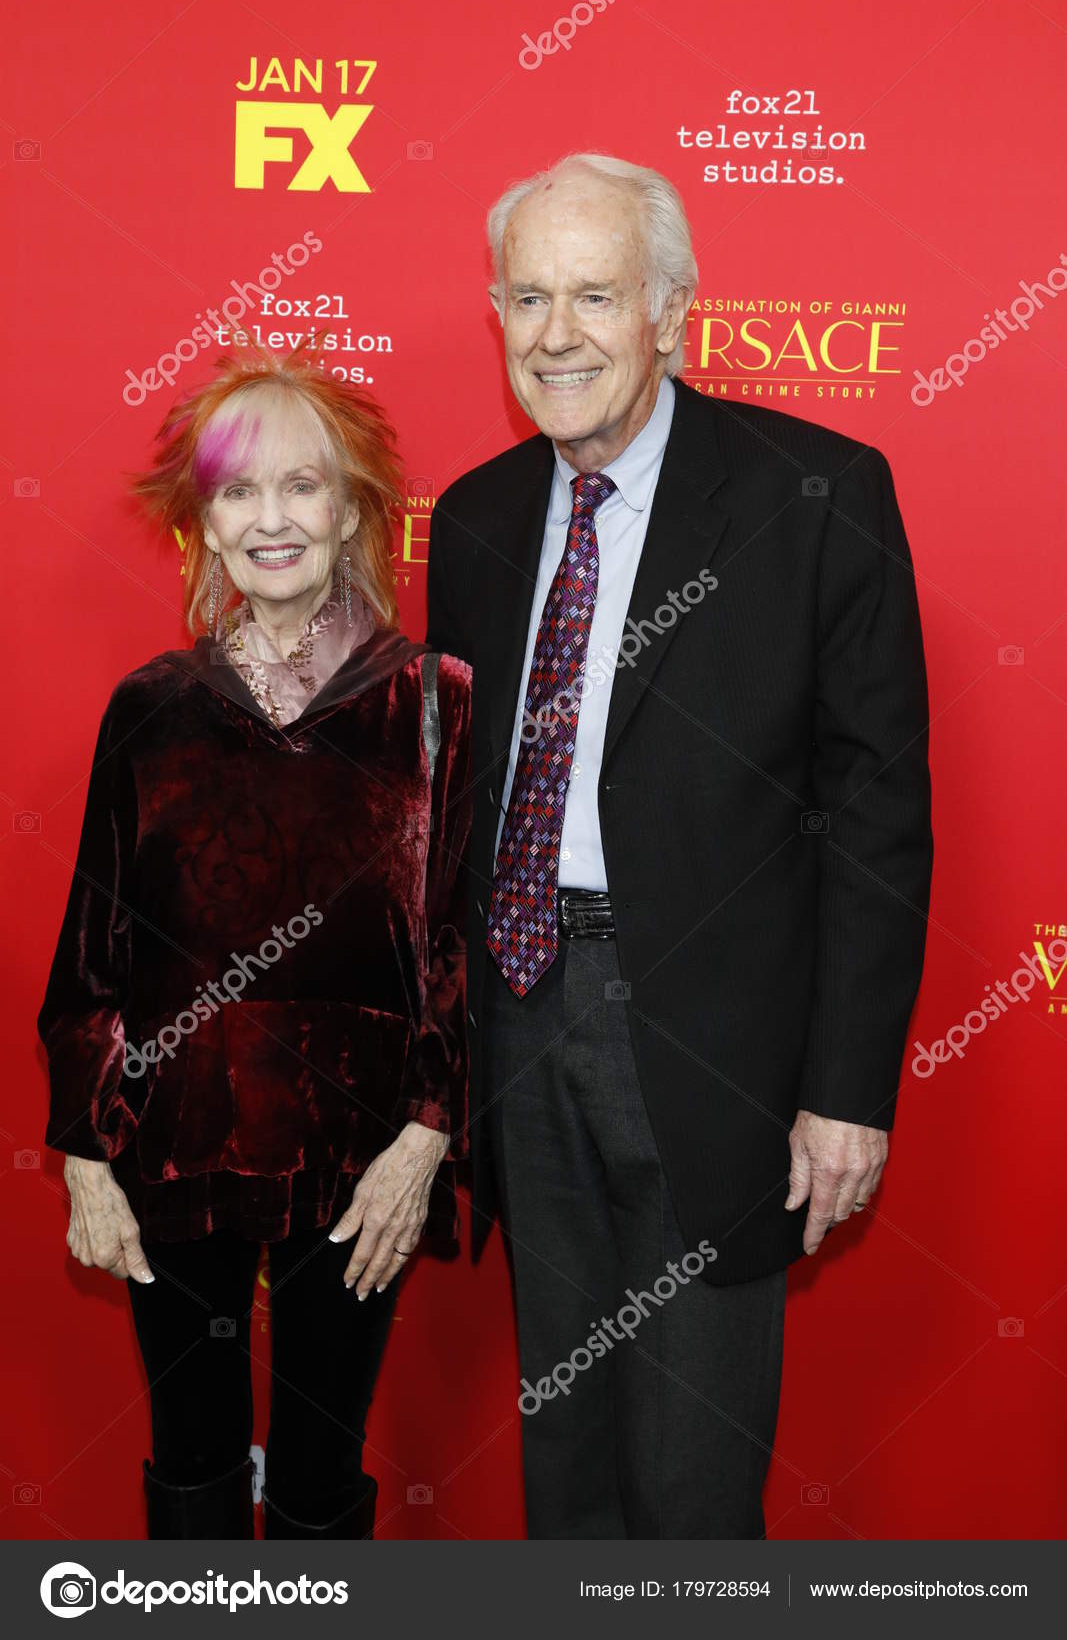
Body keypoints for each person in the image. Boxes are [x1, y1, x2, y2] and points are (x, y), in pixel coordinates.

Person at [426, 152, 933, 1539]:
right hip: (518, 1027)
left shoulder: (815, 496)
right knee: (565, 1458)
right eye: (525, 297)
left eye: (594, 295)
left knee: (696, 1486)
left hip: (719, 1051)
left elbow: (876, 815)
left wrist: (845, 1090)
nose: (554, 333)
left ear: (671, 311)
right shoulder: (471, 521)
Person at [38, 342, 472, 1540]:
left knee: (323, 1471)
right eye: (237, 489)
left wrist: (425, 1136)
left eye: (301, 486)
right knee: (191, 1463)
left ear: (353, 513)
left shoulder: (435, 701)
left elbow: (457, 947)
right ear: (204, 522)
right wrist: (84, 1153)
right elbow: (94, 951)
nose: (269, 517)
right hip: (169, 1142)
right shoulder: (151, 706)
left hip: (360, 1152)